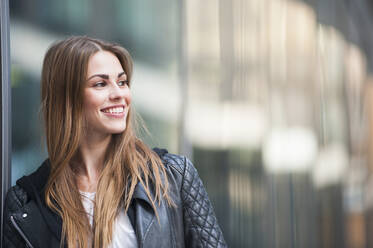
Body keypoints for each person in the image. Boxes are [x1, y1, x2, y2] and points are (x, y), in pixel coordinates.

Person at [2, 36, 227, 248]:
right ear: (67, 98)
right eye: (100, 84)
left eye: (122, 82)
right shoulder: (26, 204)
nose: (119, 93)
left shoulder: (173, 177)